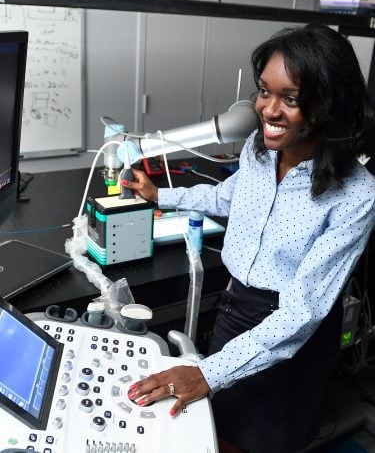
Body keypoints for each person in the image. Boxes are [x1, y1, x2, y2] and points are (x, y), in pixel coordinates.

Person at [124, 23, 375, 453]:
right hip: (236, 307)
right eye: (264, 91)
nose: (268, 110)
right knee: (214, 430)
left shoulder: (357, 193)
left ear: (329, 105)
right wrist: (159, 194)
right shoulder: (258, 150)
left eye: (291, 99)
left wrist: (207, 372)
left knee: (262, 443)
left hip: (292, 331)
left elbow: (303, 311)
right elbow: (229, 196)